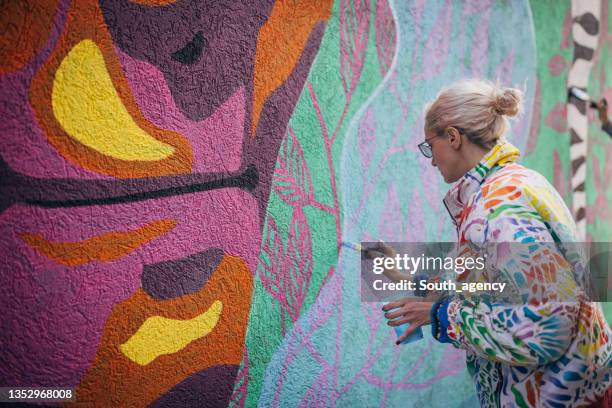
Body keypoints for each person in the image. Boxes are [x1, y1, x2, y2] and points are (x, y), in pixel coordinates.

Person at [367, 79, 611, 407]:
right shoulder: (511, 185)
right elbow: (494, 288)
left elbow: (545, 328)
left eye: (429, 146)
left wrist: (443, 317)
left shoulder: (497, 207)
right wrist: (407, 277)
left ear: (452, 137)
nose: (431, 160)